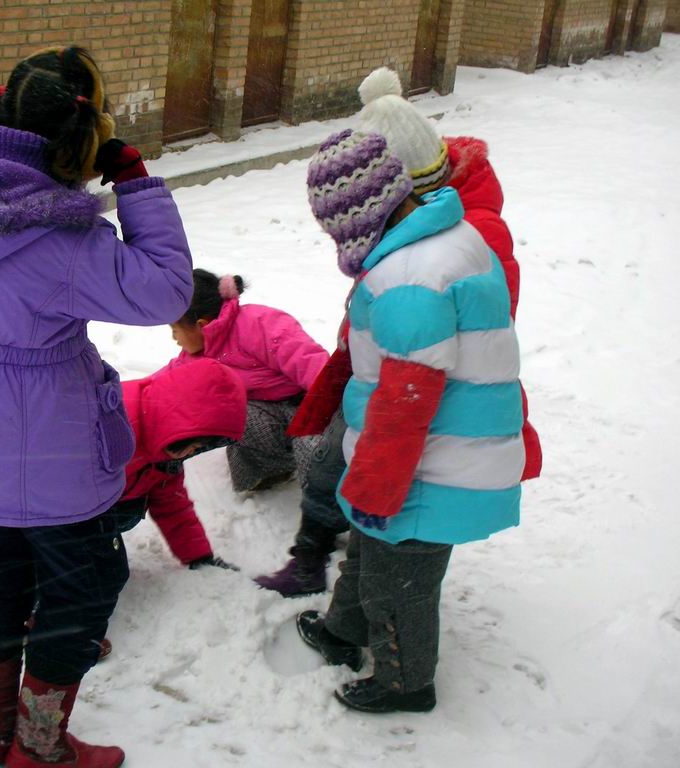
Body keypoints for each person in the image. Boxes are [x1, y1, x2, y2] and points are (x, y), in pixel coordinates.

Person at [0, 46, 193, 768]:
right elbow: (166, 293)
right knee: (82, 590)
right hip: (49, 445)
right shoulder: (65, 243)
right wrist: (137, 185)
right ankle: (38, 748)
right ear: (79, 144)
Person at [257, 66, 542, 597]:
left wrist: (399, 338)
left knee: (384, 484)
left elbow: (474, 328)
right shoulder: (412, 222)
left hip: (427, 388)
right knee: (334, 460)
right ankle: (330, 563)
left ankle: (375, 594)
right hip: (379, 365)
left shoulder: (466, 230)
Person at [295, 129, 525, 714]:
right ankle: (344, 631)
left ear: (359, 216)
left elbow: (409, 395)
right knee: (373, 552)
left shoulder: (409, 276)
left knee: (400, 586)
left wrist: (377, 481)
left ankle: (406, 682)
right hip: (425, 456)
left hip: (429, 465)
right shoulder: (446, 235)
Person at [168, 269, 329, 494]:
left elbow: (309, 363)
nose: (174, 338)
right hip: (265, 412)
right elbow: (170, 386)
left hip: (309, 403)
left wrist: (332, 408)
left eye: (175, 330)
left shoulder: (258, 323)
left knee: (317, 451)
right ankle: (271, 469)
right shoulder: (195, 357)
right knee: (232, 417)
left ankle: (325, 508)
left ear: (202, 325)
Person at [112, 358, 247, 569]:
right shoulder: (116, 425)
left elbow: (172, 506)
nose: (194, 452)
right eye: (196, 444)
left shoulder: (164, 451)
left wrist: (199, 557)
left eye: (202, 447)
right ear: (183, 423)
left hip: (102, 508)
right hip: (55, 510)